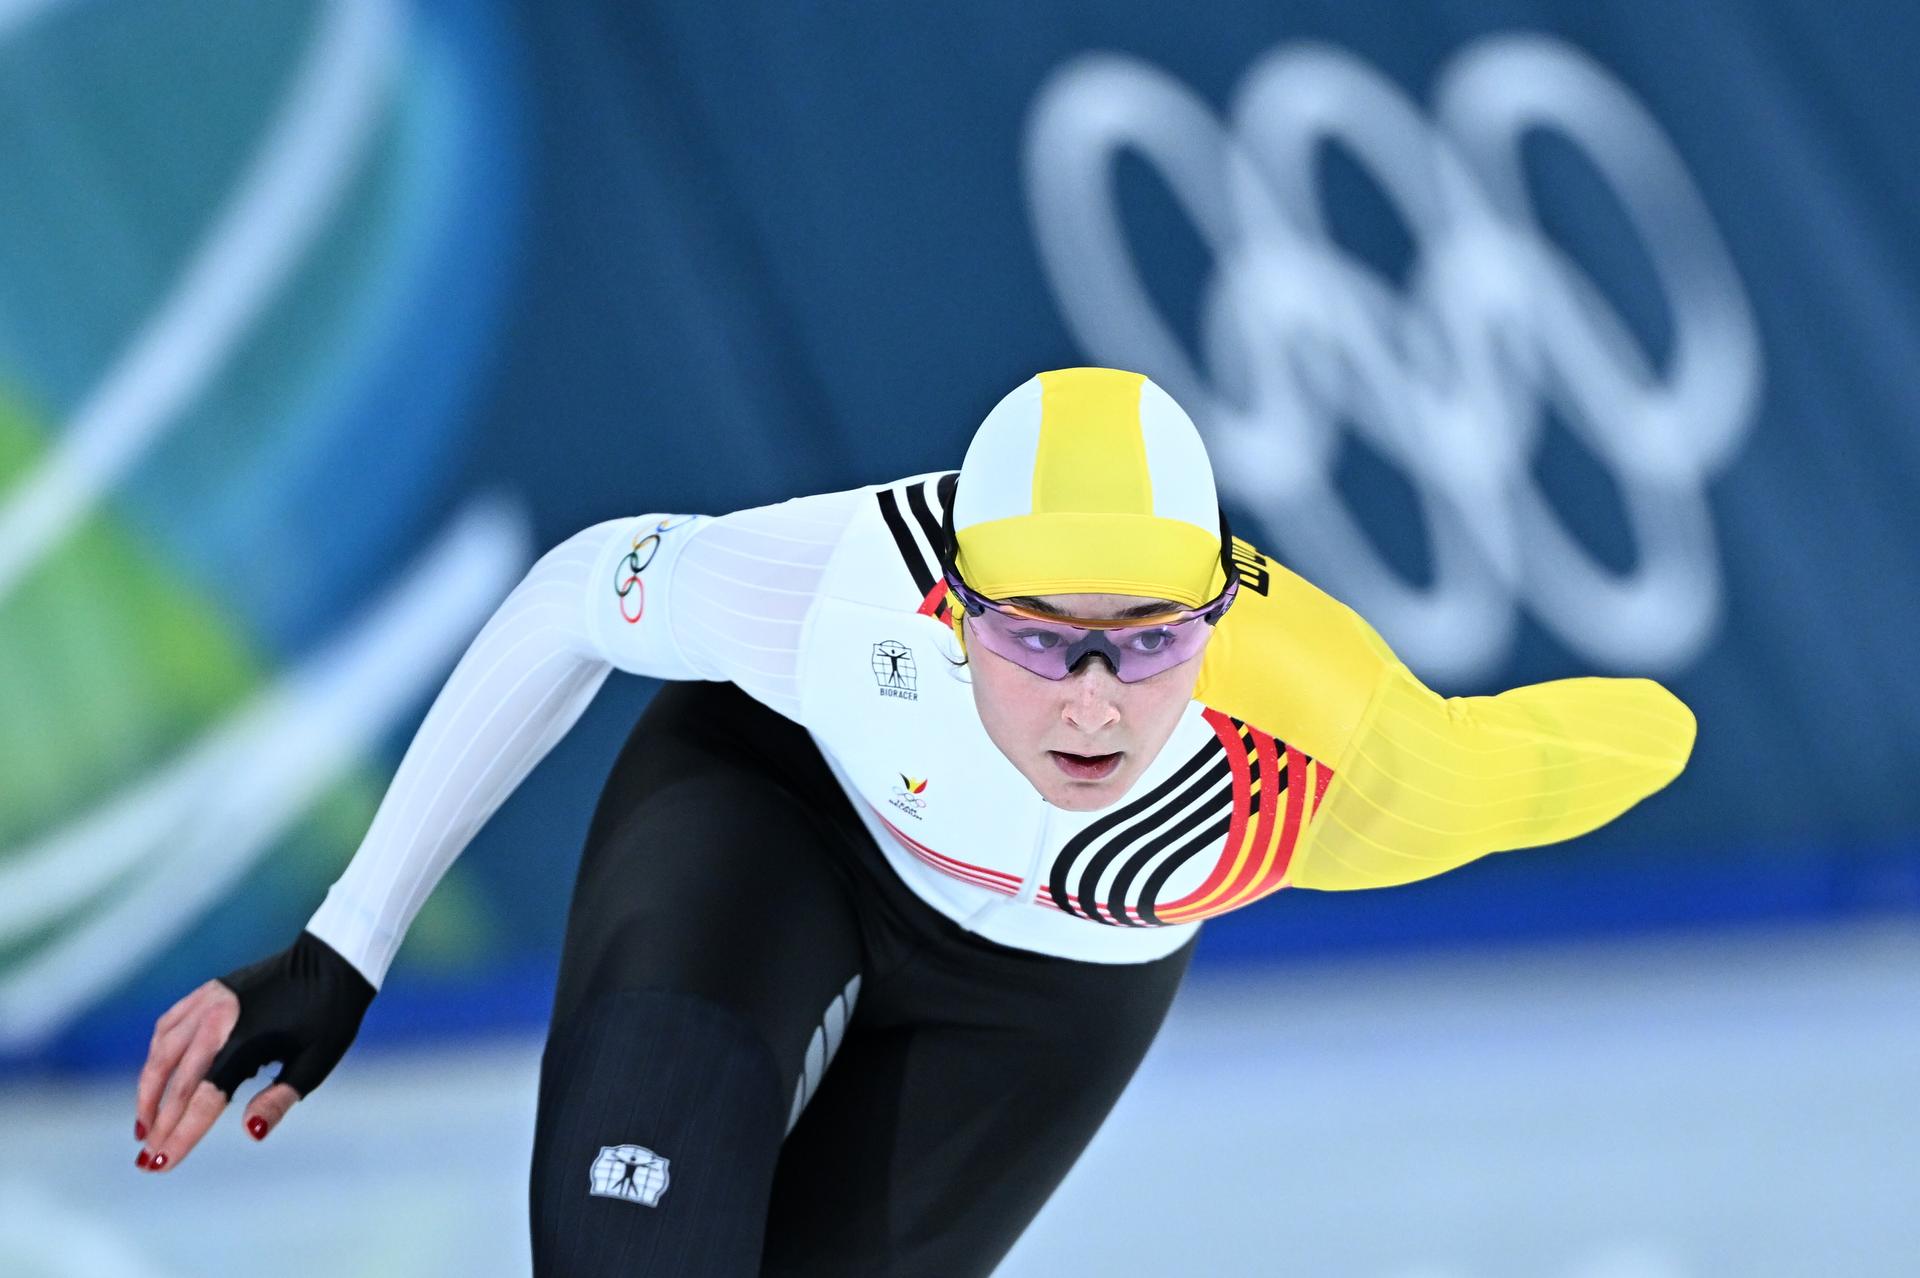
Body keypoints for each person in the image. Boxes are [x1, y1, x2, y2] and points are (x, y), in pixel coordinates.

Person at [132, 368, 1696, 1274]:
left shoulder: (1312, 740)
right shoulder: (835, 592)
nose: (1094, 697)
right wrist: (349, 940)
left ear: (1220, 624)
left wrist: (1653, 729)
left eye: (1148, 639)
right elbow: (572, 601)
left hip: (1049, 991)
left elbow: (1522, 770)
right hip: (777, 815)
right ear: (948, 606)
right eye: (1038, 636)